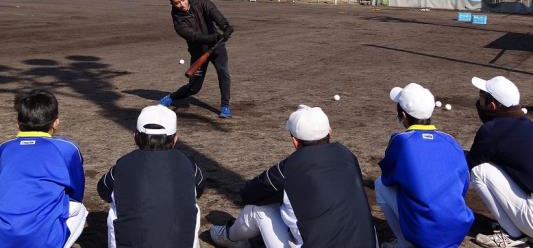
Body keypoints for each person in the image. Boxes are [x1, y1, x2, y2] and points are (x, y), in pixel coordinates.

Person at [209, 104, 377, 248]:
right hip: (366, 243)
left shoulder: (289, 168)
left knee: (257, 210)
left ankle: (227, 237)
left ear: (295, 141)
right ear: (330, 131)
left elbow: (248, 194)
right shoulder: (347, 154)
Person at [375, 83, 473, 248]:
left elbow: (388, 178)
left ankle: (404, 243)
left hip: (424, 232)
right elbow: (463, 186)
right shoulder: (450, 140)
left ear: (403, 115)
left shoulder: (401, 140)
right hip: (457, 229)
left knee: (379, 184)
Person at [97, 104, 205, 248]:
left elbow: (103, 189)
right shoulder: (188, 164)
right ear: (174, 140)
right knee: (191, 202)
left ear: (136, 138)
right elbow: (200, 188)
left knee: (116, 202)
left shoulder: (122, 165)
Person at [0, 89, 88, 248]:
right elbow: (76, 194)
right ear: (56, 122)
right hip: (43, 240)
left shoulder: (4, 148)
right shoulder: (66, 148)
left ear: (18, 124)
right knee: (80, 209)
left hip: (3, 236)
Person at [468, 75, 533, 247]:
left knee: (480, 170)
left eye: (482, 99)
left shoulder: (491, 130)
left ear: (493, 106)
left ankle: (513, 236)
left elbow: (470, 164)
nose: (478, 102)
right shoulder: (529, 125)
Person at [159, 0, 234, 118]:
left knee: (223, 72)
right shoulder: (177, 19)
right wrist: (213, 37)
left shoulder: (201, 1)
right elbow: (193, 36)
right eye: (176, 3)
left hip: (217, 47)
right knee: (194, 88)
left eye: (182, 0)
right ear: (171, 3)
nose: (181, 5)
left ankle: (225, 106)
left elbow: (215, 14)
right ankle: (172, 97)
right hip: (198, 51)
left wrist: (226, 27)